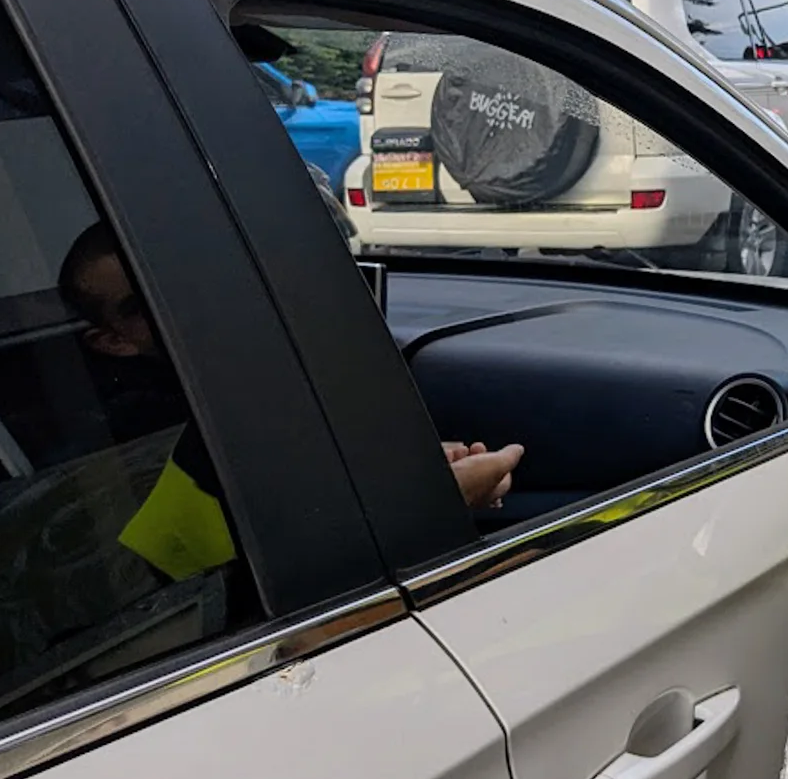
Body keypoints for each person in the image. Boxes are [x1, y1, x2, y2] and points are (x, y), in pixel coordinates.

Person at [59, 223, 523, 582]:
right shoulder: (135, 450)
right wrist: (429, 505)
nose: (186, 302)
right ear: (112, 341)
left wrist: (410, 482)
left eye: (191, 275)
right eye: (143, 303)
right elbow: (246, 607)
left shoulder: (259, 393)